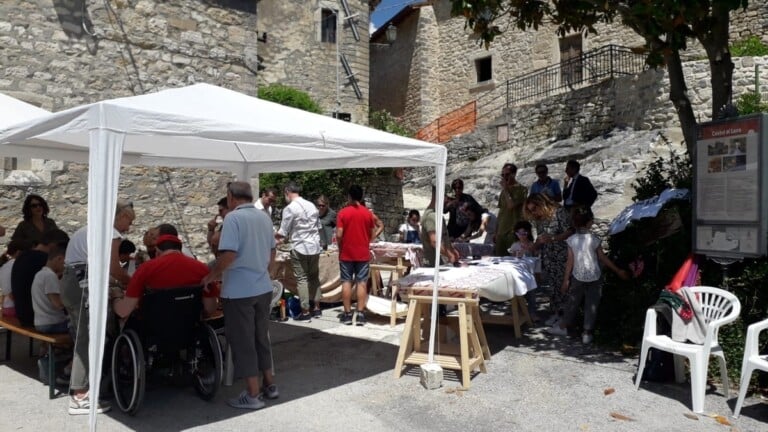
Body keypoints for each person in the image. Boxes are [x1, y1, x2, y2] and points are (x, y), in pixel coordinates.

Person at [202, 181, 278, 410]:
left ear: (231, 197)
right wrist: (266, 272)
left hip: (239, 291)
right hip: (262, 286)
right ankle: (269, 384)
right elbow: (272, 251)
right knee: (260, 337)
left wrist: (211, 276)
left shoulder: (233, 219)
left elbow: (228, 256)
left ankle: (253, 394)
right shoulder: (264, 217)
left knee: (243, 341)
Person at [60, 199, 135, 415]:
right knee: (88, 338)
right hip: (81, 286)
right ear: (119, 216)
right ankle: (80, 395)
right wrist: (132, 283)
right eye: (128, 221)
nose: (128, 228)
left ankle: (74, 377)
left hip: (69, 283)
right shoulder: (110, 233)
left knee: (81, 337)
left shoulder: (87, 229)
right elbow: (114, 268)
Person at [547, 207, 629, 343]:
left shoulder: (571, 240)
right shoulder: (594, 239)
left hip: (578, 275)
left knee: (572, 302)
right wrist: (618, 270)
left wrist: (566, 280)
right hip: (595, 274)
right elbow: (602, 258)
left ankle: (563, 326)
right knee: (592, 303)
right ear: (590, 222)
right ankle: (587, 332)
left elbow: (570, 262)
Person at [114, 227, 216, 319]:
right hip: (190, 332)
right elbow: (210, 309)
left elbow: (123, 311)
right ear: (180, 249)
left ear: (157, 251)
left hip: (154, 331)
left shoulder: (145, 269)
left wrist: (115, 298)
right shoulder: (203, 269)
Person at [524, 193, 574, 326]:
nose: (533, 212)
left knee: (563, 286)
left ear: (542, 204)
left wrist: (553, 239)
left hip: (563, 255)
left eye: (534, 209)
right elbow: (540, 238)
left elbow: (570, 231)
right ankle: (556, 314)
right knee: (553, 287)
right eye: (530, 210)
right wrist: (533, 247)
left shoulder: (559, 212)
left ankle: (565, 318)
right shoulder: (539, 218)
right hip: (548, 257)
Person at [275, 181, 322, 321]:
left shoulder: (290, 208)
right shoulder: (312, 205)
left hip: (300, 246)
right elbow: (318, 226)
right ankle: (317, 308)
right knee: (314, 277)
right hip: (314, 246)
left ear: (287, 192)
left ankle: (305, 310)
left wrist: (273, 237)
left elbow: (283, 232)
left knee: (302, 279)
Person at [11, 229, 70, 327]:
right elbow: (57, 300)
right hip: (38, 317)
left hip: (22, 315)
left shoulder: (23, 256)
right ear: (53, 246)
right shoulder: (44, 261)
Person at [336, 185, 376, 326]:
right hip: (362, 253)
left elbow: (339, 234)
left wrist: (340, 244)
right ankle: (360, 314)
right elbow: (372, 234)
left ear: (349, 196)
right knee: (362, 283)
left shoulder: (343, 213)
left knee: (346, 282)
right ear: (361, 197)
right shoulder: (367, 213)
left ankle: (347, 314)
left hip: (346, 253)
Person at [507, 220, 540, 322]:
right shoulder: (514, 245)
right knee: (519, 294)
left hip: (530, 274)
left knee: (531, 295)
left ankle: (532, 313)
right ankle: (519, 313)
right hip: (519, 275)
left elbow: (537, 259)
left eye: (524, 233)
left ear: (528, 233)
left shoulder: (532, 245)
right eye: (518, 233)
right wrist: (517, 254)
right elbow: (512, 260)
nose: (521, 236)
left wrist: (530, 250)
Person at [31, 246, 69, 334]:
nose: (66, 266)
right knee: (83, 327)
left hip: (40, 322)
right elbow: (58, 304)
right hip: (52, 323)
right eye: (65, 263)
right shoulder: (49, 276)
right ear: (59, 258)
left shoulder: (40, 274)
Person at [421, 186, 460, 268]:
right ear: (441, 197)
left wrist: (452, 249)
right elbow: (434, 242)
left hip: (440, 264)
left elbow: (443, 238)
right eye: (449, 199)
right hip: (433, 266)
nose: (451, 203)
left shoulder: (437, 215)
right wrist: (450, 255)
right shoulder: (431, 216)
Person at [495, 163, 528, 256]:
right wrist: (496, 232)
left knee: (513, 260)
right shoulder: (503, 192)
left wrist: (505, 189)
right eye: (503, 175)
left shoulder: (522, 189)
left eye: (507, 174)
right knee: (499, 259)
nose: (504, 177)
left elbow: (511, 206)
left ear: (514, 174)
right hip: (501, 231)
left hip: (513, 231)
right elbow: (501, 212)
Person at [0, 240, 28, 317]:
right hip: (15, 308)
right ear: (19, 252)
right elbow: (12, 293)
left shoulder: (4, 266)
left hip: (6, 307)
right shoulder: (18, 264)